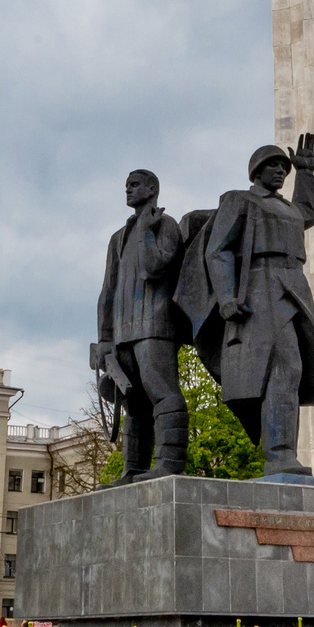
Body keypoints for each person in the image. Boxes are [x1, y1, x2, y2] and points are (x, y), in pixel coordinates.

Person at [182, 134, 314, 478]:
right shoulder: (239, 201)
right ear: (256, 171)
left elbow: (306, 214)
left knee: (294, 369)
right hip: (261, 286)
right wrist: (226, 297)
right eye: (274, 166)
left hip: (294, 285)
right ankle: (279, 455)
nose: (281, 172)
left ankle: (283, 454)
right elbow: (217, 250)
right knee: (283, 367)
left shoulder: (287, 208)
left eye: (284, 167)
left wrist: (307, 174)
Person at [94, 169, 190, 481]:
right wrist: (105, 339)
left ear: (152, 188)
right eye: (126, 186)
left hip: (155, 323)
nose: (128, 190)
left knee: (162, 391)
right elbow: (107, 291)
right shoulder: (118, 238)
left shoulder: (166, 226)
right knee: (133, 404)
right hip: (123, 332)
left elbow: (153, 268)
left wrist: (148, 230)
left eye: (134, 185)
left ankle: (170, 463)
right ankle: (133, 467)